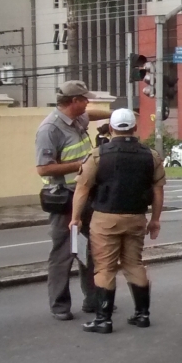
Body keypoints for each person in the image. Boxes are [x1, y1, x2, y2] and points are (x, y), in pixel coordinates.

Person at [70, 108, 165, 334]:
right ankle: (142, 315)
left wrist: (75, 218)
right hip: (136, 218)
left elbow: (82, 189)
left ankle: (103, 319)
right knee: (134, 264)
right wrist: (155, 220)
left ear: (111, 128)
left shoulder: (98, 155)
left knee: (105, 268)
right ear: (134, 128)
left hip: (105, 218)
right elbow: (158, 192)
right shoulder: (150, 156)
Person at [34, 80, 108, 321]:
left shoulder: (77, 119)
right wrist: (85, 164)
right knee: (63, 252)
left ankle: (93, 299)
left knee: (93, 248)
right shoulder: (50, 129)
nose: (88, 102)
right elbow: (43, 169)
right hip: (64, 197)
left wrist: (115, 115)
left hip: (86, 193)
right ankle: (60, 305)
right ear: (74, 101)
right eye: (85, 99)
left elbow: (92, 114)